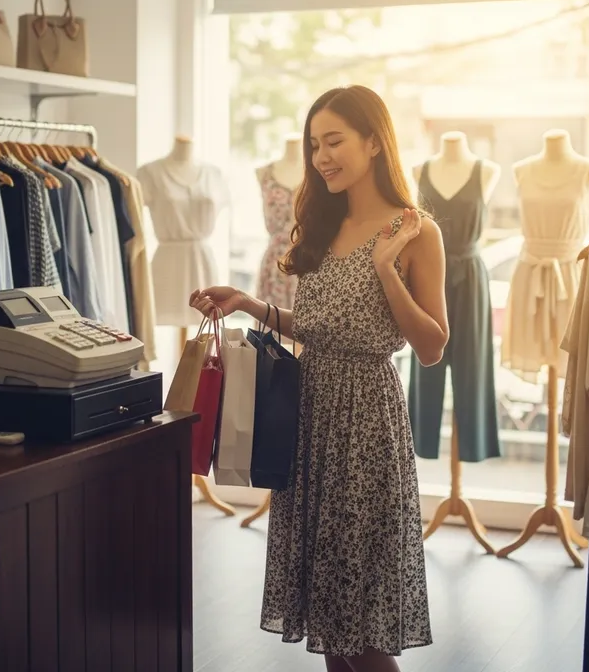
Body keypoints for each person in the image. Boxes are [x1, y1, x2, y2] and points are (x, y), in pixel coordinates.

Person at [189, 85, 448, 672]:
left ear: (375, 142)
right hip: (309, 419)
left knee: (364, 631)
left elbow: (432, 346)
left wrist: (387, 270)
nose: (322, 156)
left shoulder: (414, 231)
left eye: (334, 140)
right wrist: (250, 305)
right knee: (332, 623)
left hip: (367, 427)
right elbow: (316, 330)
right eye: (315, 144)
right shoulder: (320, 221)